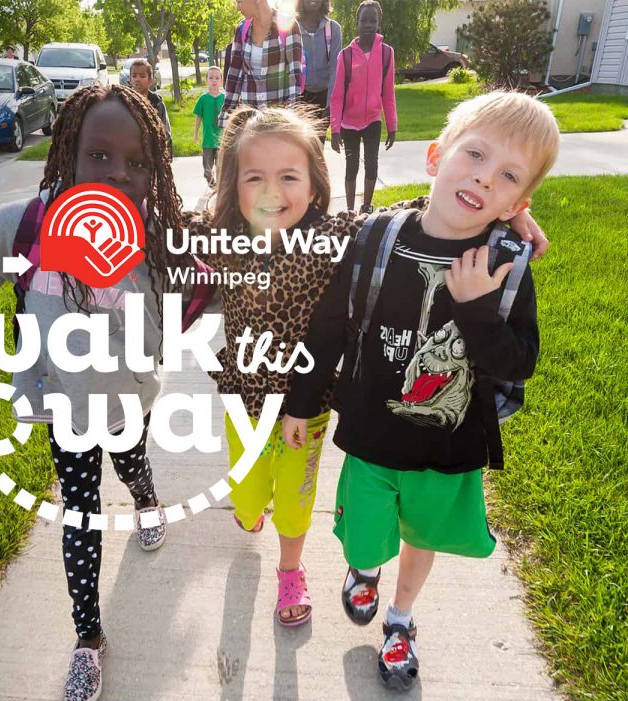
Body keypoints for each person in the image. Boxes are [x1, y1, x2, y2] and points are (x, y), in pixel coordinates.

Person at [0, 84, 210, 701]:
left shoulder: (160, 239)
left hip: (131, 399)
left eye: (137, 162)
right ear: (68, 154)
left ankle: (146, 501)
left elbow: (224, 287)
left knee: (132, 462)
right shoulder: (27, 227)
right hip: (63, 404)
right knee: (79, 512)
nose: (117, 173)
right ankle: (88, 637)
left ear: (157, 171)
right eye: (99, 155)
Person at [188, 103, 550, 628]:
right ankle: (267, 516)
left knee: (303, 503)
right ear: (233, 188)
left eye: (289, 177)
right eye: (255, 178)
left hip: (317, 407)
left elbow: (429, 216)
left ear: (314, 187)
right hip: (244, 396)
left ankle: (308, 575)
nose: (272, 191)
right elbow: (161, 225)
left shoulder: (338, 236)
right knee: (248, 494)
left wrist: (506, 212)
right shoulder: (223, 240)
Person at [282, 91, 561, 689]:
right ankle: (362, 569)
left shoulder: (507, 267)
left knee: (422, 536)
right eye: (476, 156)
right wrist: (302, 401)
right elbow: (329, 324)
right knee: (363, 533)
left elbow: (522, 359)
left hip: (446, 448)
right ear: (437, 156)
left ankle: (401, 620)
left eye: (507, 176)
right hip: (372, 436)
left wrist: (478, 310)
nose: (485, 178)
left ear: (519, 202)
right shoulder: (376, 237)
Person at [329, 0, 397, 213]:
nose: (368, 24)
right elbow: (337, 96)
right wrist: (335, 128)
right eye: (364, 20)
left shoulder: (386, 53)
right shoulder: (346, 56)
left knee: (371, 165)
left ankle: (366, 206)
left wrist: (392, 125)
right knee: (351, 167)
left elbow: (388, 93)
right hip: (349, 123)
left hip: (373, 121)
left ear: (378, 23)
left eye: (372, 20)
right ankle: (350, 210)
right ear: (357, 23)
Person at [218, 0, 304, 128]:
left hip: (278, 118)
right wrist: (227, 115)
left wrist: (293, 115)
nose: (237, 8)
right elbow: (235, 76)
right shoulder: (241, 30)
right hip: (249, 120)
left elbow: (295, 75)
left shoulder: (288, 25)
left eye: (239, 2)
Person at [297, 0, 342, 134]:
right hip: (299, 95)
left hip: (323, 95)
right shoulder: (292, 28)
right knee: (301, 143)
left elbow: (335, 69)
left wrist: (330, 105)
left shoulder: (333, 29)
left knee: (317, 143)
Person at [128, 59, 172, 153]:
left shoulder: (157, 103)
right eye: (134, 76)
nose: (137, 79)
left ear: (150, 80)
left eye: (142, 76)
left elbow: (166, 132)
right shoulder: (124, 102)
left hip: (152, 153)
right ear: (130, 79)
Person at [192, 66, 226, 186]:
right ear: (206, 81)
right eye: (211, 78)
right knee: (207, 168)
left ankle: (219, 187)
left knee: (221, 166)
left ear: (221, 81)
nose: (214, 80)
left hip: (221, 140)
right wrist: (195, 134)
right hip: (207, 140)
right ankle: (211, 182)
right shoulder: (203, 99)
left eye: (217, 78)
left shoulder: (225, 98)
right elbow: (198, 117)